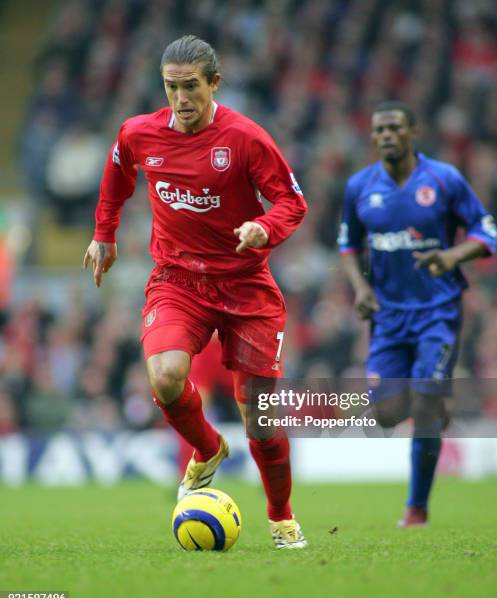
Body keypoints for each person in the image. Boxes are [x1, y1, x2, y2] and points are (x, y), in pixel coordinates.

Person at [83, 35, 308, 548]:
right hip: (178, 279)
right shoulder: (139, 133)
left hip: (245, 284)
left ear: (214, 84)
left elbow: (292, 202)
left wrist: (264, 228)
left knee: (262, 417)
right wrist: (104, 233)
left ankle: (280, 516)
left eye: (191, 87)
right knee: (164, 377)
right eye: (171, 87)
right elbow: (117, 173)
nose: (181, 99)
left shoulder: (247, 139)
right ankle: (207, 449)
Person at [338, 101, 496, 527]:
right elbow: (348, 246)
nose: (386, 136)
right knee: (387, 413)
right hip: (387, 318)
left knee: (424, 405)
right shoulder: (359, 187)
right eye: (379, 130)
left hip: (437, 312)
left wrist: (453, 256)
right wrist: (360, 288)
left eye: (394, 128)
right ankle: (433, 404)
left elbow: (486, 229)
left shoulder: (444, 180)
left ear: (412, 131)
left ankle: (416, 509)